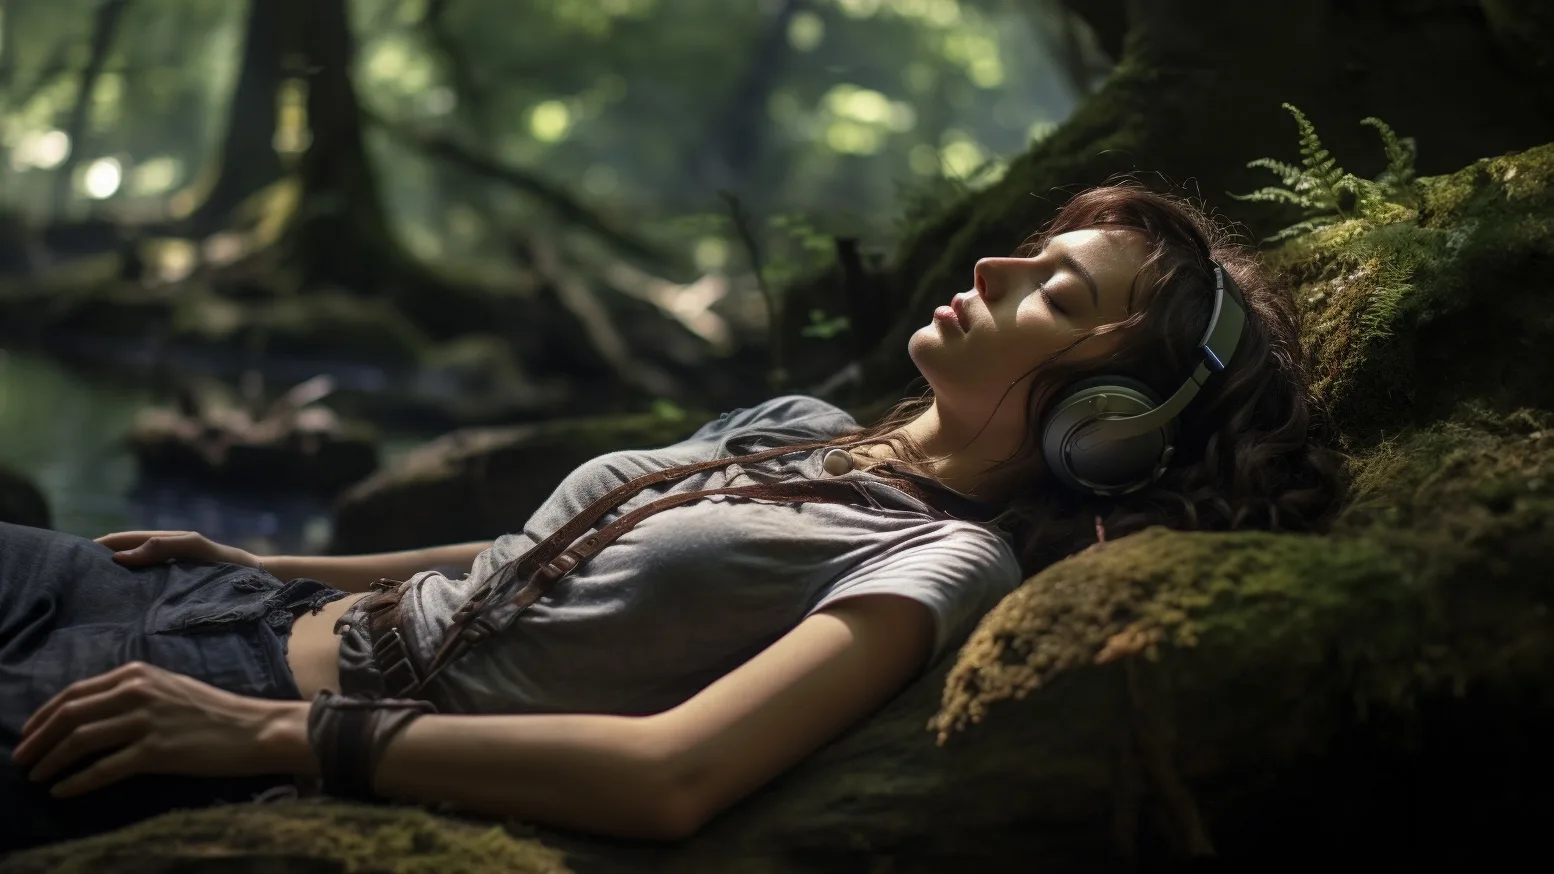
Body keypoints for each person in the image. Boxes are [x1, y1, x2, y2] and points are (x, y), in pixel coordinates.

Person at [1, 184, 1345, 852]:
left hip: (211, 703)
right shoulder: (807, 429)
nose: (990, 266)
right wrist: (258, 554)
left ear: (1103, 421)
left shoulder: (941, 556)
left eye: (1050, 293)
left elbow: (671, 772)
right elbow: (524, 556)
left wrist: (256, 733)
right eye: (1029, 250)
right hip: (211, 605)